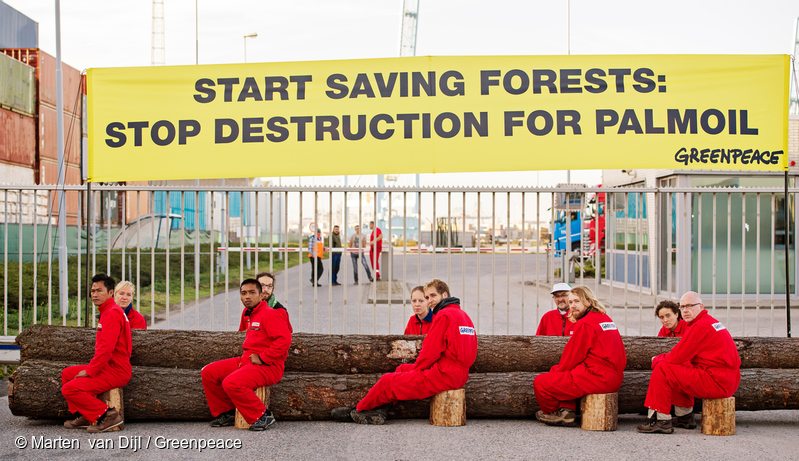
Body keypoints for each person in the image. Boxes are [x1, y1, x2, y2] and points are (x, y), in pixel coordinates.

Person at [331, 279, 477, 424]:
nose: (430, 301)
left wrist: (417, 369)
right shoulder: (464, 316)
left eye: (433, 296)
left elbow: (430, 352)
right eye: (427, 297)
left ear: (444, 295)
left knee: (387, 381)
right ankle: (380, 409)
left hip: (444, 375)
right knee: (401, 368)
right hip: (457, 373)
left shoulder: (443, 316)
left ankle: (359, 410)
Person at [637, 291, 741, 434]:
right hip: (725, 380)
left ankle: (660, 420)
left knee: (663, 368)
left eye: (690, 306)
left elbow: (677, 356)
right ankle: (684, 416)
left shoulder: (699, 326)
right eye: (683, 306)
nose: (685, 310)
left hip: (717, 382)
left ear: (701, 306)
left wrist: (656, 360)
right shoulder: (709, 322)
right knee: (680, 368)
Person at [201, 279, 293, 431]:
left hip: (268, 366)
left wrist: (264, 357)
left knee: (232, 383)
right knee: (209, 372)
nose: (247, 297)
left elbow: (284, 340)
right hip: (246, 360)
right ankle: (227, 412)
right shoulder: (248, 313)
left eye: (252, 293)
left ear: (261, 295)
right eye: (243, 293)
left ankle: (262, 416)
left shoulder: (271, 314)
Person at [533, 286, 627, 427]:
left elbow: (570, 357)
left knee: (541, 382)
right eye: (570, 302)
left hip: (598, 377)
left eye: (577, 301)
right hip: (610, 374)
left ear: (588, 301)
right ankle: (567, 411)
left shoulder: (585, 324)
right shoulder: (603, 317)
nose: (572, 306)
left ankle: (552, 412)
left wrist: (558, 372)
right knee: (558, 371)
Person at [61, 273, 131, 433]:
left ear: (111, 293)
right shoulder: (108, 310)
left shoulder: (112, 313)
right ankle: (86, 414)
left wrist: (90, 371)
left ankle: (108, 415)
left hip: (116, 370)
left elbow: (105, 351)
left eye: (99, 291)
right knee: (67, 374)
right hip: (109, 367)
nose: (94, 294)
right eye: (93, 291)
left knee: (70, 389)